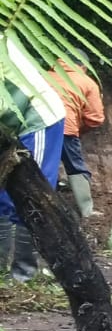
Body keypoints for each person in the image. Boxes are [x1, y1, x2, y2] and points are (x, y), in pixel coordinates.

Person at [0, 37, 67, 282]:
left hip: (37, 119)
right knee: (2, 197)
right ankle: (2, 268)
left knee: (30, 195)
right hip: (11, 123)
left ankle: (23, 274)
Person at [45, 53, 105, 218]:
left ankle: (41, 205)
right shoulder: (87, 82)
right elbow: (95, 118)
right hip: (66, 125)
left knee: (42, 164)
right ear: (83, 66)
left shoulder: (44, 75)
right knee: (75, 166)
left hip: (38, 125)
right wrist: (79, 131)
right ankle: (87, 210)